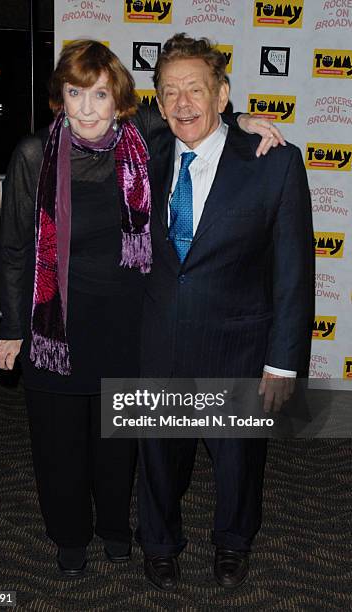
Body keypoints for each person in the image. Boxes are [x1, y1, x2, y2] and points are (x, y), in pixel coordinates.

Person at [0, 39, 285, 578]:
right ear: (59, 97)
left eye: (99, 94)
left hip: (127, 324)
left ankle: (114, 529)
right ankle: (71, 538)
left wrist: (243, 119)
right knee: (60, 444)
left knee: (116, 444)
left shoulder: (140, 138)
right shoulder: (33, 155)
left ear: (119, 100)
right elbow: (12, 248)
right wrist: (11, 328)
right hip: (53, 327)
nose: (86, 107)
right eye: (75, 93)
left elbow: (193, 111)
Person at [136, 34, 314, 592]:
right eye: (171, 93)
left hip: (237, 346)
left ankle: (234, 542)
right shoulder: (148, 150)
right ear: (158, 104)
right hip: (159, 343)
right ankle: (160, 545)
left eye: (197, 89)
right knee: (158, 460)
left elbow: (293, 272)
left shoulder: (274, 162)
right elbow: (101, 118)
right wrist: (236, 117)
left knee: (238, 464)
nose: (184, 103)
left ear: (222, 94)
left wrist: (283, 363)